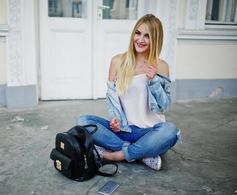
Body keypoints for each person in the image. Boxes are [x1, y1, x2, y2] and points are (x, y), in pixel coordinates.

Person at [77, 14, 180, 171]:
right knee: (84, 121)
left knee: (171, 131)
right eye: (138, 33)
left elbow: (164, 106)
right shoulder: (117, 61)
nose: (140, 39)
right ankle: (143, 154)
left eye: (147, 36)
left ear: (156, 40)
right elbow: (112, 99)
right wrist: (115, 119)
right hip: (124, 131)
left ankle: (115, 155)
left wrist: (153, 82)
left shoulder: (161, 66)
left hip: (150, 132)